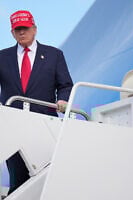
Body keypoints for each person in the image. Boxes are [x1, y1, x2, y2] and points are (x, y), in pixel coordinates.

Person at [0, 10, 73, 194]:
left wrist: (63, 99)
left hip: (44, 124)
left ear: (35, 29)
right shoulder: (2, 57)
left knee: (46, 176)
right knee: (18, 179)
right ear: (12, 33)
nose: (22, 32)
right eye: (17, 29)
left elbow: (65, 84)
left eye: (25, 28)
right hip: (13, 125)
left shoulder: (54, 55)